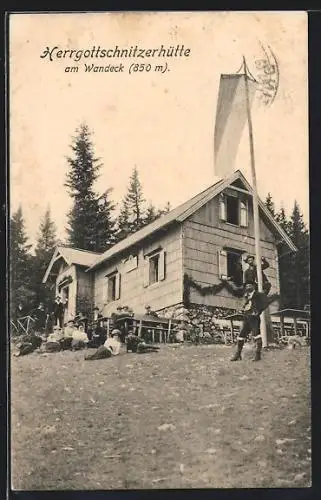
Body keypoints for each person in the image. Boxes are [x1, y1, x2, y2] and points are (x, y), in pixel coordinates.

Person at [231, 283, 270, 362]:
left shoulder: (259, 295)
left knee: (256, 335)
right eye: (247, 286)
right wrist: (243, 307)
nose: (248, 286)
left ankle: (258, 355)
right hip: (247, 318)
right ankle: (238, 355)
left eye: (250, 285)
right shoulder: (247, 296)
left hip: (254, 318)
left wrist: (258, 310)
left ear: (253, 287)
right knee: (241, 336)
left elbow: (266, 302)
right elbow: (246, 306)